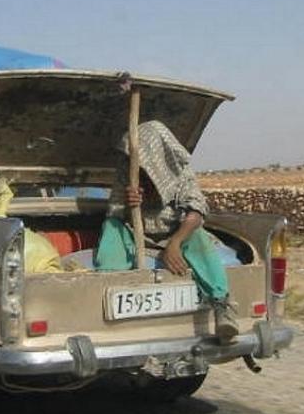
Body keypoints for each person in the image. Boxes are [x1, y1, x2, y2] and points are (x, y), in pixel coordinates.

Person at [94, 120, 240, 343]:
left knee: (199, 237)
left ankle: (222, 307)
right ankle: (105, 298)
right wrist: (127, 203)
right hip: (137, 234)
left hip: (175, 234)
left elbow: (197, 211)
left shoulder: (179, 171)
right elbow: (113, 211)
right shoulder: (128, 171)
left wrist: (174, 244)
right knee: (111, 228)